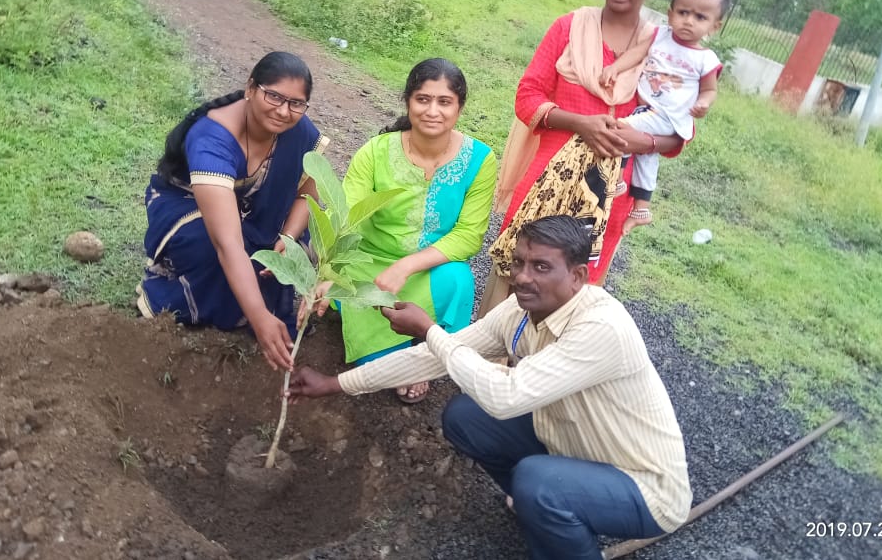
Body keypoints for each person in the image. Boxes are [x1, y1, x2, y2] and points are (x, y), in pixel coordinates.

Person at [288, 216, 692, 560]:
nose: (523, 277)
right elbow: (433, 358)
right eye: (518, 263)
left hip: (644, 487)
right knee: (465, 418)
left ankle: (554, 510)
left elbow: (505, 397)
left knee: (537, 482)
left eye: (541, 267)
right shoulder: (520, 310)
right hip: (575, 449)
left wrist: (429, 330)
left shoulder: (602, 327)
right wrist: (336, 383)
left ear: (578, 277)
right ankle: (549, 508)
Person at [481, 0, 683, 318]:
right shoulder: (570, 28)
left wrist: (644, 142)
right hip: (547, 182)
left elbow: (676, 132)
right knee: (519, 279)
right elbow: (528, 97)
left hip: (609, 196)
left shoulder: (663, 50)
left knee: (575, 297)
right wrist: (580, 123)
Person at [307, 58, 496, 404]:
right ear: (408, 101)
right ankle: (402, 356)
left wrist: (406, 266)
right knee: (376, 359)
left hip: (428, 269)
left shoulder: (480, 160)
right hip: (370, 266)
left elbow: (469, 235)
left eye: (444, 102)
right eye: (423, 99)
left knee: (458, 279)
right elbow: (345, 216)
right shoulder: (375, 152)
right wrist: (329, 270)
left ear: (459, 107)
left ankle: (425, 351)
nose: (432, 111)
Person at [137, 51, 327, 372]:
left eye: (296, 103)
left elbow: (306, 197)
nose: (284, 111)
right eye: (274, 96)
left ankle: (250, 299)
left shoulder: (298, 132)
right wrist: (260, 318)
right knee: (211, 250)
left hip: (255, 215)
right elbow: (227, 242)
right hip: (190, 206)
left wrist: (287, 238)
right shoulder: (212, 138)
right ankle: (187, 294)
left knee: (299, 246)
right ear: (251, 88)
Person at [599, 0, 729, 230]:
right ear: (670, 14)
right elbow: (637, 53)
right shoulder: (660, 36)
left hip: (668, 115)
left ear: (714, 26)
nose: (688, 21)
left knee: (620, 127)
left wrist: (704, 104)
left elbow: (710, 89)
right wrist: (615, 67)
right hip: (649, 109)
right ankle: (641, 209)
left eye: (700, 17)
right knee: (647, 157)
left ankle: (616, 179)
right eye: (683, 12)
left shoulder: (706, 59)